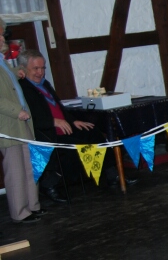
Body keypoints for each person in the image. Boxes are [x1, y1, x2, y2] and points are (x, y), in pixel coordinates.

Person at [18, 50, 136, 194]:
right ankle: (50, 184)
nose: (40, 72)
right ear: (23, 69)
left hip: (64, 127)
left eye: (43, 68)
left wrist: (73, 121)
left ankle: (113, 175)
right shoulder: (23, 88)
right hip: (47, 133)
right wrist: (52, 121)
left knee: (94, 133)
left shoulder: (45, 84)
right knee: (79, 147)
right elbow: (29, 117)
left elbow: (59, 107)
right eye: (35, 69)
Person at [0, 17, 44, 223]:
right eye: (0, 35)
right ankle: (20, 212)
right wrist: (16, 110)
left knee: (29, 164)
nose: (3, 38)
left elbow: (8, 83)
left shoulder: (1, 59)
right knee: (16, 168)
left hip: (22, 120)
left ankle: (32, 205)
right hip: (9, 123)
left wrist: (16, 74)